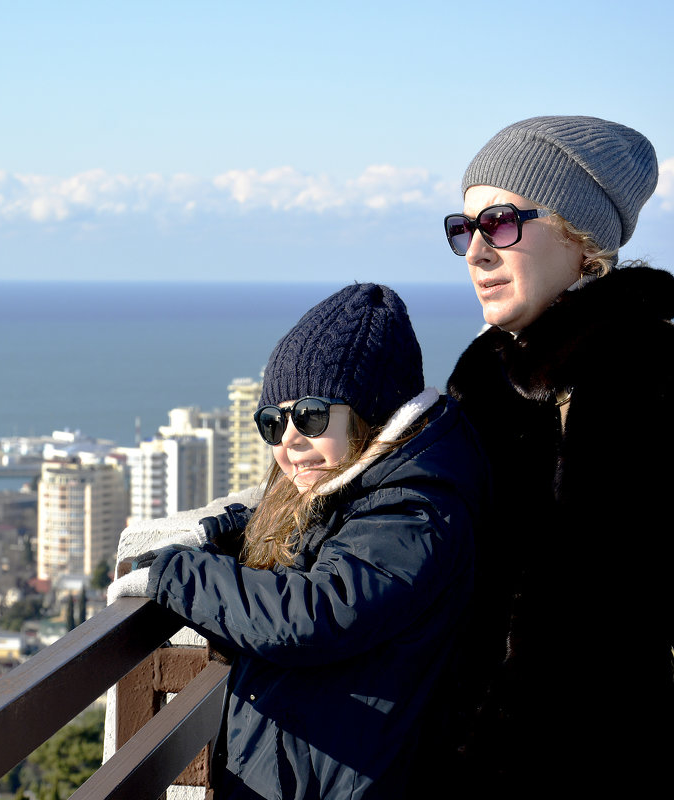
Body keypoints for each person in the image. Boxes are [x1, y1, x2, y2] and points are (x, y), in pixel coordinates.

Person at [109, 283, 488, 799]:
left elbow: (310, 616)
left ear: (371, 410)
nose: (289, 439)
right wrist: (220, 534)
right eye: (273, 421)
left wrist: (175, 574)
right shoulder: (366, 490)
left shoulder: (415, 510)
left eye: (310, 415)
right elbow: (315, 542)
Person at [442, 115, 674, 797]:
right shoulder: (487, 375)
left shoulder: (643, 374)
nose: (475, 253)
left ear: (583, 239)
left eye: (501, 223)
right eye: (464, 230)